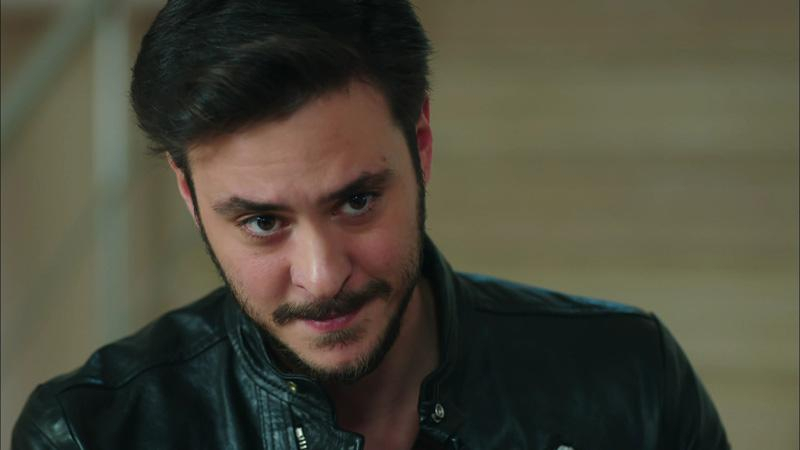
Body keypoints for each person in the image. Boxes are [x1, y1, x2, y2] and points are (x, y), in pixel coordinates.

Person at [12, 1, 730, 449]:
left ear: (421, 145)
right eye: (262, 222)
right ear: (189, 195)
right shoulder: (91, 434)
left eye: (356, 201)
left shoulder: (629, 379)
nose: (323, 276)